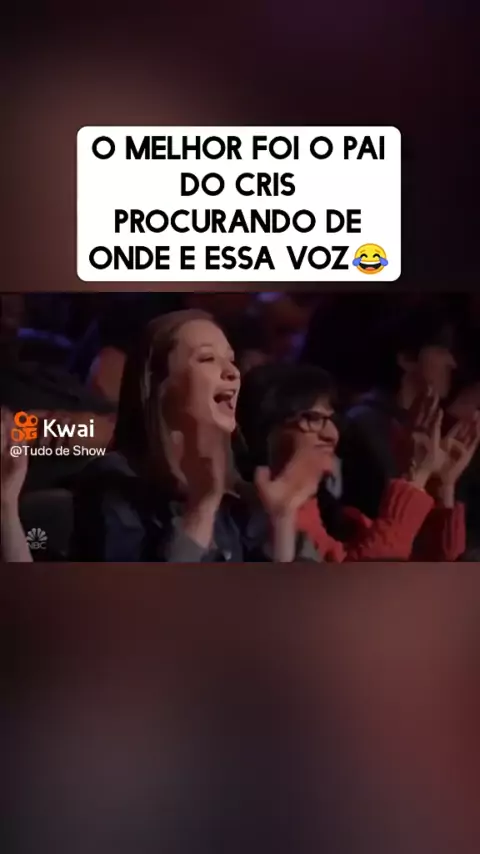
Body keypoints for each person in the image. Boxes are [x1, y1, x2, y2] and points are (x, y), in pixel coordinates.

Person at [69, 310, 329, 562]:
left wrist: (282, 520)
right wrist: (202, 508)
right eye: (207, 358)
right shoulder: (111, 482)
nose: (232, 372)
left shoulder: (240, 493)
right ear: (159, 385)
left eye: (231, 360)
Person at [236, 363, 477, 561]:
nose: (331, 434)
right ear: (267, 430)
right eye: (313, 419)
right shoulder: (263, 520)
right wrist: (414, 478)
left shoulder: (331, 516)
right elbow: (370, 584)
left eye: (331, 420)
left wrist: (440, 484)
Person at [339, 307, 459, 519]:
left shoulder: (426, 424)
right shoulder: (365, 424)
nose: (452, 363)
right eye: (441, 351)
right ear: (406, 359)